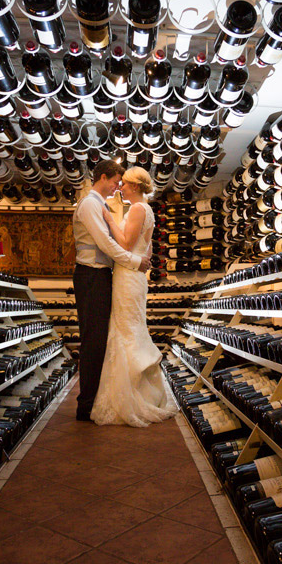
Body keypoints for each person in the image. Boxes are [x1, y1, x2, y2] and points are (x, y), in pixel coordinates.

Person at [91, 166, 179, 428]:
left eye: (125, 184)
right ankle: (139, 392)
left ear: (136, 187)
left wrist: (108, 221)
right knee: (131, 328)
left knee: (126, 330)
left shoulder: (138, 209)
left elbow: (127, 245)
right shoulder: (146, 210)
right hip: (133, 275)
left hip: (128, 276)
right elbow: (147, 249)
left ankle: (130, 399)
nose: (121, 188)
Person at [70, 160, 151, 422]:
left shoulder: (103, 205)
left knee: (100, 339)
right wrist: (136, 262)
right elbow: (106, 244)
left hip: (102, 276)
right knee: (93, 340)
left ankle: (94, 398)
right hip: (91, 276)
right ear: (103, 177)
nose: (118, 187)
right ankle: (86, 405)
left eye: (122, 183)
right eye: (116, 181)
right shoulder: (91, 204)